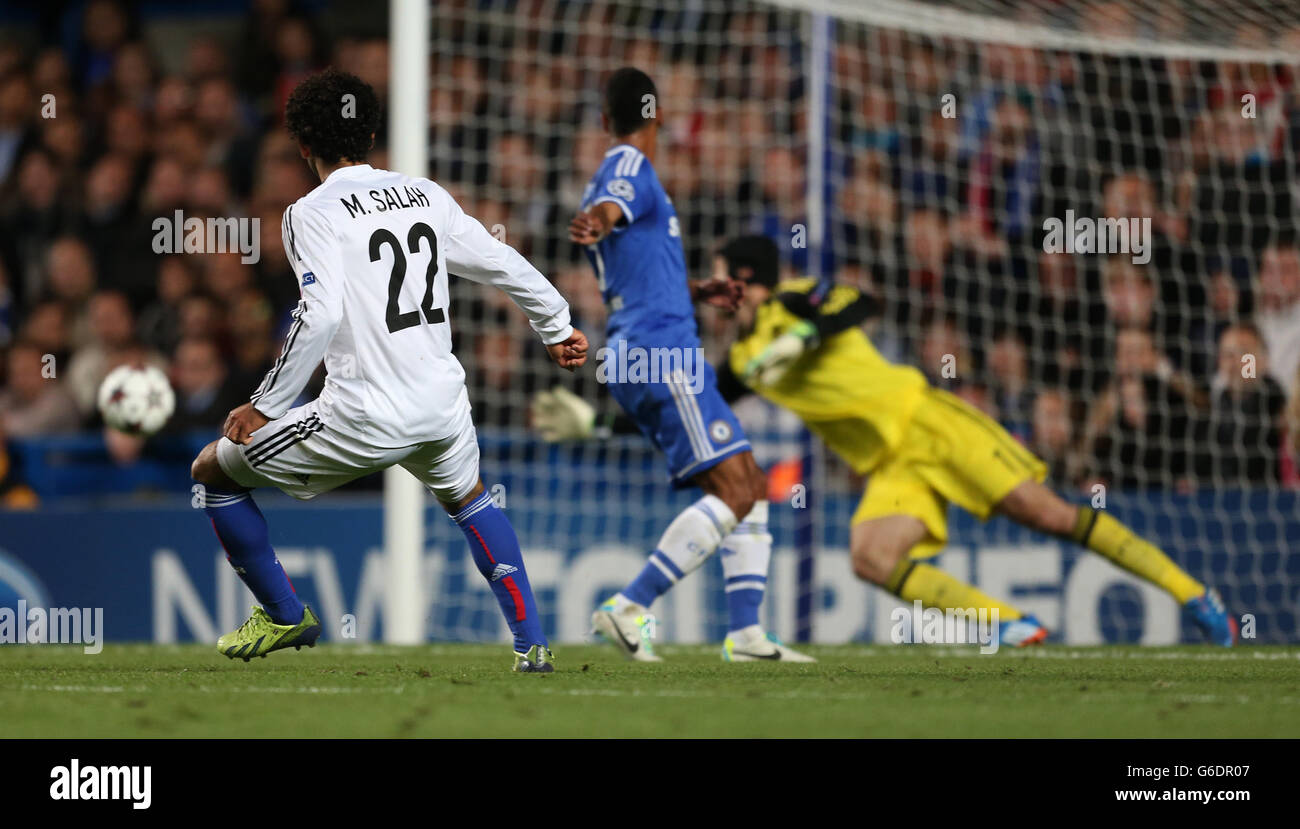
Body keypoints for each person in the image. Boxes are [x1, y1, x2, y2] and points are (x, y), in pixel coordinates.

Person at [188, 69, 588, 671]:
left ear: (302, 145)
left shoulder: (310, 212)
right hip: (442, 404)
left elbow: (318, 315)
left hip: (365, 412)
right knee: (471, 500)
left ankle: (283, 614)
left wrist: (267, 402)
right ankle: (532, 646)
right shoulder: (425, 193)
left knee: (212, 471)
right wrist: (557, 326)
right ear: (372, 131)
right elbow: (499, 260)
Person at [692, 236, 1234, 645]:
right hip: (892, 464)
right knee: (870, 557)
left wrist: (804, 335)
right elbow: (699, 402)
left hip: (930, 422)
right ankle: (1006, 624)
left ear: (746, 279)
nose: (712, 292)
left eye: (719, 278)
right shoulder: (743, 359)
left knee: (1049, 515)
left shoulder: (792, 300)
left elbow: (857, 303)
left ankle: (1191, 592)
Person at [561, 67, 812, 662]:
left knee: (747, 482)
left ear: (604, 118)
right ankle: (630, 607)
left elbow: (636, 263)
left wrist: (699, 289)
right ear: (660, 117)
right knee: (736, 487)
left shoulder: (634, 177)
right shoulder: (628, 164)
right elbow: (607, 212)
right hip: (660, 352)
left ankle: (747, 634)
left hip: (643, 347)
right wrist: (598, 220)